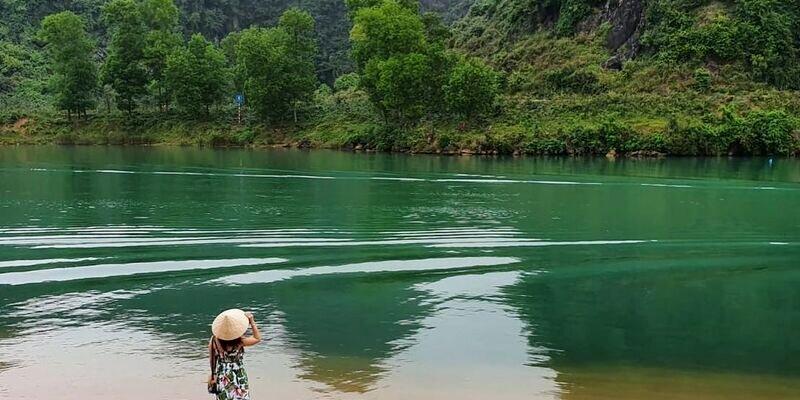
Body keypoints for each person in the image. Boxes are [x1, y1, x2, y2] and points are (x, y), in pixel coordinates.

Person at [208, 309, 262, 400]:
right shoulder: (239, 342)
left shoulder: (214, 341)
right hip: (238, 374)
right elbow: (257, 338)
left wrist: (213, 375)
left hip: (222, 375)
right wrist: (252, 322)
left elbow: (212, 360)